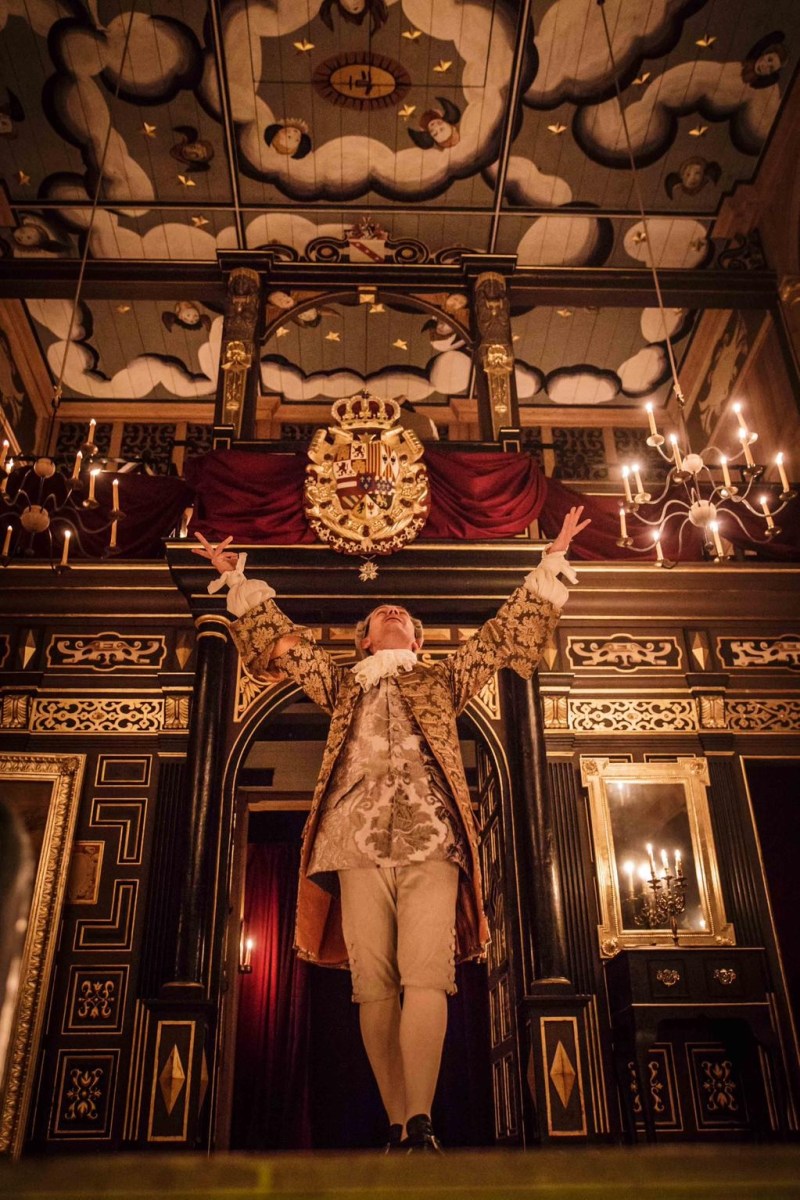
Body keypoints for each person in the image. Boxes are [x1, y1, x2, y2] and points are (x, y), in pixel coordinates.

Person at [193, 506, 589, 1151]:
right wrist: (236, 579)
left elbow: (498, 638)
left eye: (403, 614)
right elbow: (286, 644)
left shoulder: (444, 678)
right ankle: (400, 1123)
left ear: (419, 642)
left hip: (432, 836)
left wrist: (549, 564)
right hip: (352, 840)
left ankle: (423, 1118)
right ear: (365, 643)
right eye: (381, 614)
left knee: (426, 975)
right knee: (373, 985)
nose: (394, 612)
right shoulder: (341, 684)